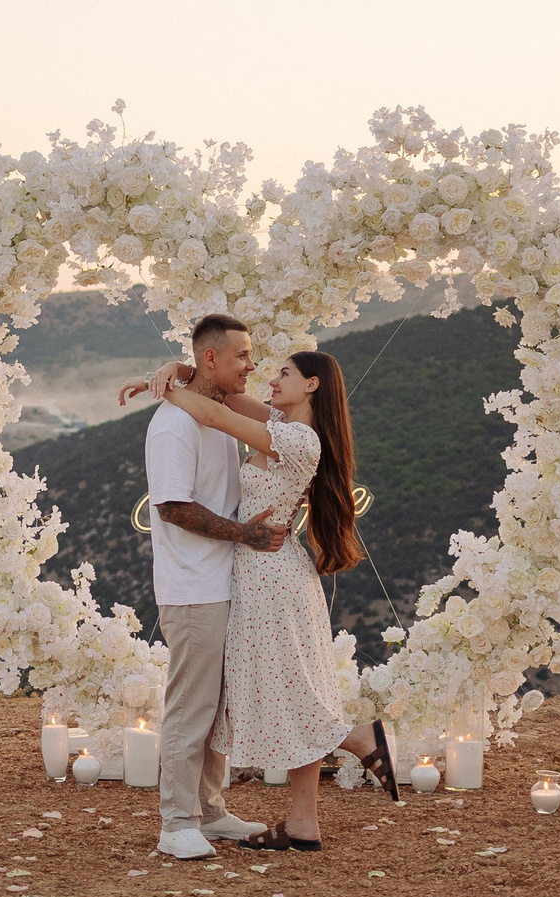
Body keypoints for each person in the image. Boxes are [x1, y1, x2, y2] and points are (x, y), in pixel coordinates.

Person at [135, 347, 396, 849]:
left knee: (288, 688)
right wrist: (172, 370)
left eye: (284, 373)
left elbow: (213, 411)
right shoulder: (281, 421)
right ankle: (302, 824)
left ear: (313, 384)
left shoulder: (297, 440)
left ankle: (358, 738)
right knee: (287, 685)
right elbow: (227, 392)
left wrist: (162, 385)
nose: (271, 378)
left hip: (269, 575)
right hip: (260, 573)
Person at [137, 314, 288, 861]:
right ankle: (176, 822)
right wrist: (245, 535)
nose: (252, 365)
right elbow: (174, 507)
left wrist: (172, 370)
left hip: (223, 582)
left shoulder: (214, 415)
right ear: (211, 358)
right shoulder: (173, 426)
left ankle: (210, 811)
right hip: (192, 587)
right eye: (243, 356)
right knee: (190, 706)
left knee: (217, 706)